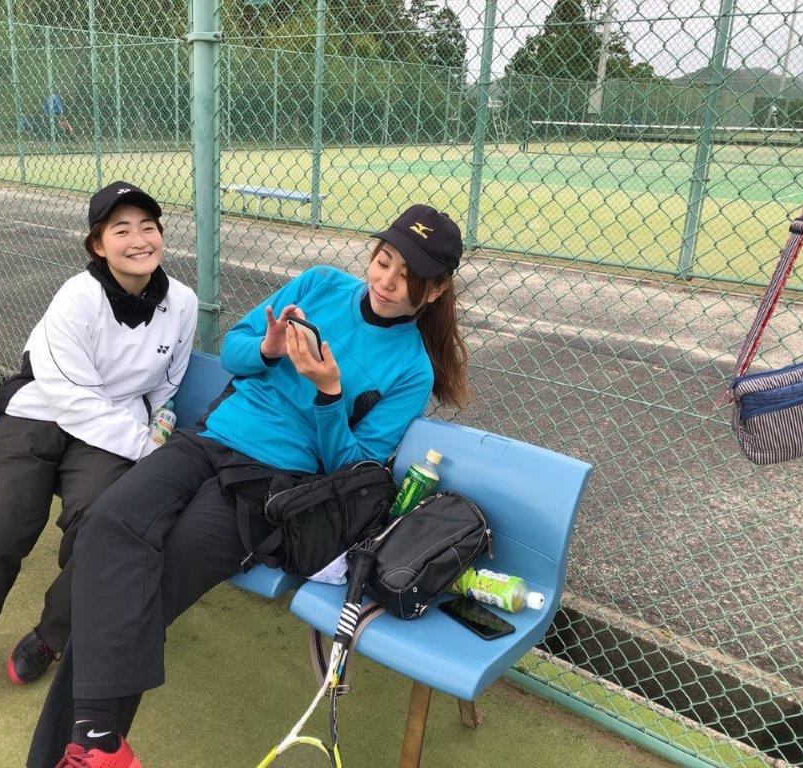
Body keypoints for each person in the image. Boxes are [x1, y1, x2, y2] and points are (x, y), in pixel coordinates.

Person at [27, 204, 471, 767]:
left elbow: (353, 470)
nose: (386, 282)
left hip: (267, 488)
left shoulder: (412, 369)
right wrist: (268, 348)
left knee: (147, 589)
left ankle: (80, 746)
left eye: (408, 277)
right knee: (106, 525)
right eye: (383, 262)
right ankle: (98, 739)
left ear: (435, 290)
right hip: (208, 440)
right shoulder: (320, 284)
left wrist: (329, 394)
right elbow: (236, 351)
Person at [0, 181, 198, 720]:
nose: (139, 240)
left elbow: (167, 382)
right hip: (43, 410)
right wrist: (145, 447)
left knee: (103, 527)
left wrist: (158, 424)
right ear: (98, 245)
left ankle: (52, 634)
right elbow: (72, 400)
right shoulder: (76, 297)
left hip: (113, 424)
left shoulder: (182, 303)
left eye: (148, 227)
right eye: (121, 230)